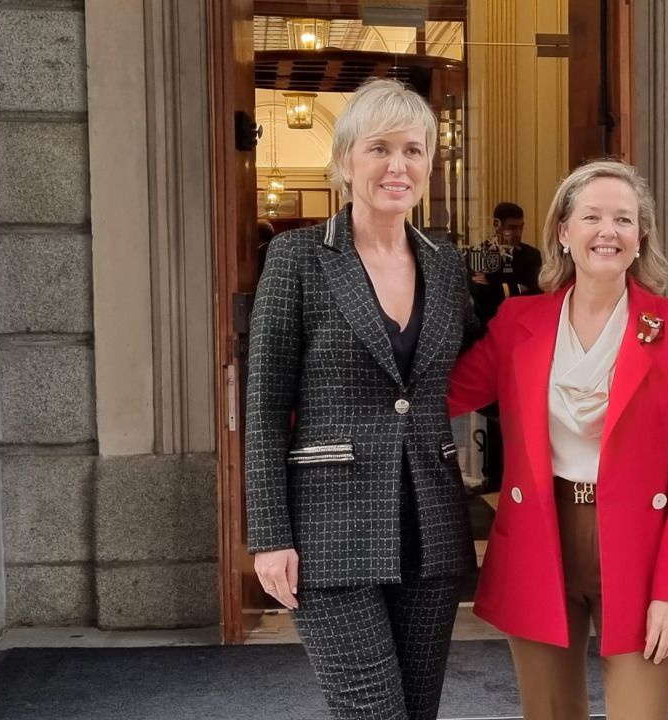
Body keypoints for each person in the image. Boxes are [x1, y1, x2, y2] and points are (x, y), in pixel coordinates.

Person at [244, 78, 476, 720]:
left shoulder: (446, 263)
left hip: (429, 528)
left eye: (413, 149)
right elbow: (263, 405)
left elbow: (493, 364)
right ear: (345, 160)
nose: (398, 166)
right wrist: (268, 534)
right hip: (327, 531)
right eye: (379, 148)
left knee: (418, 711)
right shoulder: (296, 258)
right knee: (370, 710)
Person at [448, 159, 668, 720]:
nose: (607, 231)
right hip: (540, 535)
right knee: (549, 713)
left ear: (640, 237)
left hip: (641, 546)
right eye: (591, 216)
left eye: (623, 219)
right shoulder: (519, 321)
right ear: (563, 232)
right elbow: (442, 394)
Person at [466, 202, 543, 493]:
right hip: (491, 338)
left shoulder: (531, 255)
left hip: (526, 342)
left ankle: (516, 470)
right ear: (497, 225)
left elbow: (535, 294)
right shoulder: (481, 254)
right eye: (511, 227)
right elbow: (479, 296)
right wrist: (512, 290)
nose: (516, 233)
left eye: (520, 227)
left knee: (519, 409)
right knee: (492, 408)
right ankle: (493, 473)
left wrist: (499, 289)